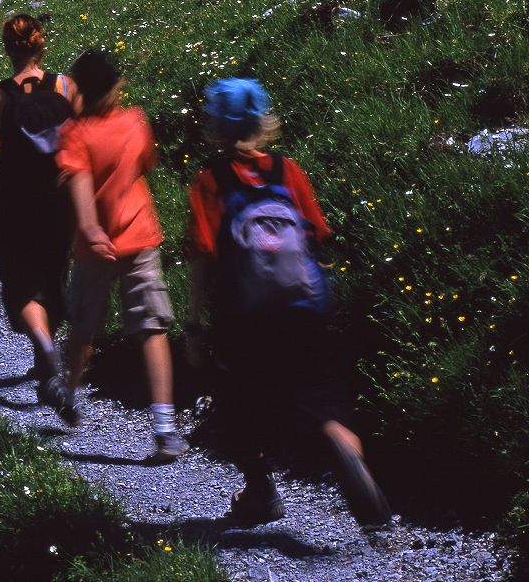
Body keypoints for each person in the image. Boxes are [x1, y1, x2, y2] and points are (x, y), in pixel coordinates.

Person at [184, 76, 390, 529]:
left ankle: (261, 492)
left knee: (239, 403)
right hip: (306, 303)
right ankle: (341, 441)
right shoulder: (288, 171)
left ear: (215, 128)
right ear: (264, 122)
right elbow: (316, 234)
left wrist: (194, 324)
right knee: (316, 392)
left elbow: (202, 256)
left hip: (246, 316)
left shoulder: (210, 181)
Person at [55, 48, 182, 460]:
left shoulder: (73, 133)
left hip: (95, 249)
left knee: (83, 327)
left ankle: (71, 393)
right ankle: (164, 426)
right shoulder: (135, 122)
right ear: (116, 86)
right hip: (140, 236)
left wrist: (90, 227)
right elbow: (147, 163)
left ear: (78, 90)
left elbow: (76, 180)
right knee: (152, 328)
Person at [0, 14, 75, 412]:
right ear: (40, 43)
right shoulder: (65, 85)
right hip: (59, 201)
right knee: (51, 276)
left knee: (21, 287)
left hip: (14, 205)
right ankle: (44, 360)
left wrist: (3, 142)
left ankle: (47, 357)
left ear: (7, 49)